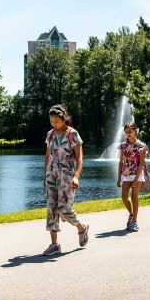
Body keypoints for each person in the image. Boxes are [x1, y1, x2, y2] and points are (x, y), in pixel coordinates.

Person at [42, 104, 89, 256]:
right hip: (52, 174)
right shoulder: (50, 134)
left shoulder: (72, 134)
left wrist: (76, 176)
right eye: (51, 120)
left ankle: (81, 228)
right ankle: (54, 244)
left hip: (67, 175)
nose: (53, 123)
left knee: (65, 209)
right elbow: (47, 156)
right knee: (51, 208)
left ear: (63, 119)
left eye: (56, 120)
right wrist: (45, 176)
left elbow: (79, 157)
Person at [116, 122, 148, 231]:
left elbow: (141, 164)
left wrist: (136, 179)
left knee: (134, 197)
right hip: (126, 174)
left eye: (130, 131)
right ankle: (131, 214)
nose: (128, 134)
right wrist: (119, 177)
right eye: (126, 132)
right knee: (124, 197)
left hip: (137, 174)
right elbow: (121, 162)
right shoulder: (123, 146)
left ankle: (134, 221)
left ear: (136, 132)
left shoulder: (141, 146)